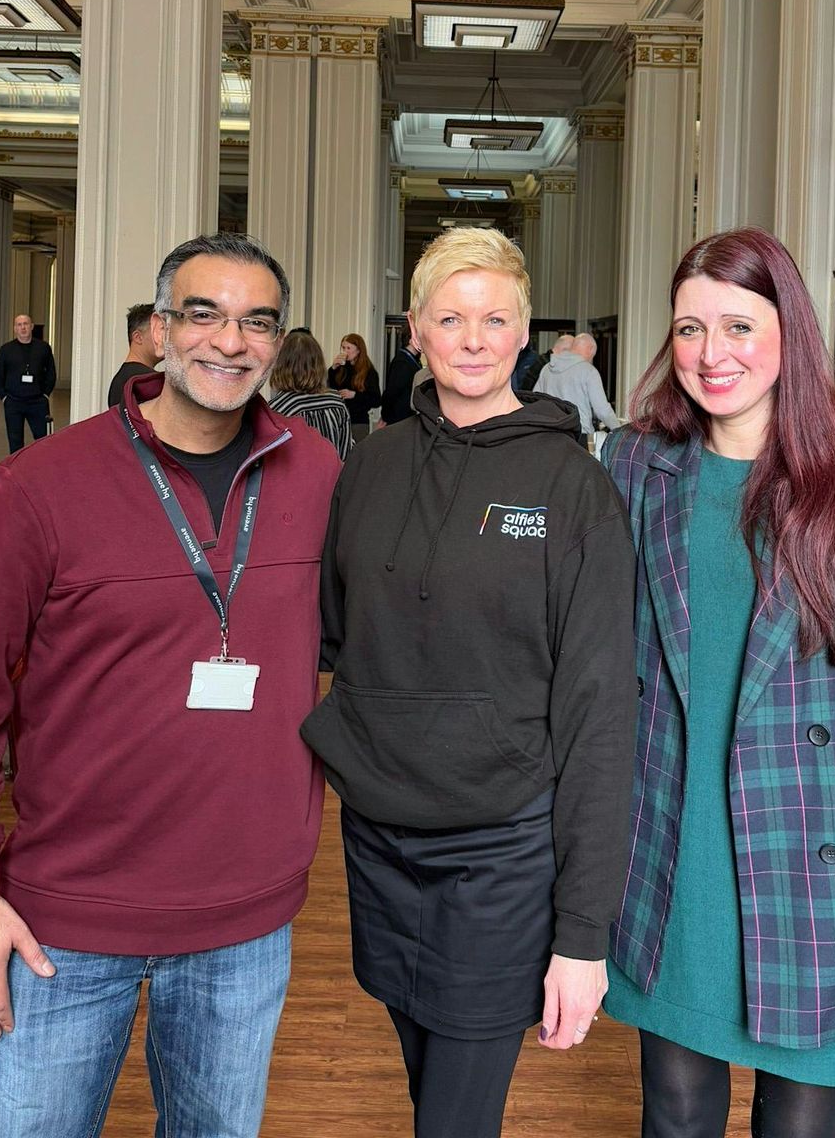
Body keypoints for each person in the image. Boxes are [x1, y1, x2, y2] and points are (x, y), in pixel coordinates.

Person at [0, 232, 342, 1138]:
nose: (230, 341)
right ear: (159, 330)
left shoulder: (317, 474)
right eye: (204, 314)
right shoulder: (44, 483)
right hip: (61, 920)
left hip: (244, 922)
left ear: (277, 342)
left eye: (257, 322)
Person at [601, 228, 835, 1138]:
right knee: (674, 1116)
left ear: (789, 330)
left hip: (817, 866)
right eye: (689, 329)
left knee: (800, 1127)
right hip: (675, 855)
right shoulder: (638, 464)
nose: (710, 354)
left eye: (738, 326)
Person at [302, 227, 637, 1138]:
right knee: (429, 1086)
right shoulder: (370, 466)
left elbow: (602, 713)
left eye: (496, 319)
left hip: (503, 846)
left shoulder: (573, 487)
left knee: (455, 1111)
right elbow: (339, 635)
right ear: (415, 331)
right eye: (451, 319)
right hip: (379, 836)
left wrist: (583, 933)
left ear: (525, 333)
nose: (474, 339)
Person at [269, 329, 352, 460]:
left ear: (281, 364)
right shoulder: (336, 402)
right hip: (334, 472)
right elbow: (346, 454)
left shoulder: (277, 409)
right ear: (318, 363)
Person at [0, 314, 56, 455]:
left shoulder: (43, 348)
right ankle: (17, 468)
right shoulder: (6, 350)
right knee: (15, 442)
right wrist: (4, 397)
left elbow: (51, 373)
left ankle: (42, 465)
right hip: (13, 402)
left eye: (26, 324)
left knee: (43, 440)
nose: (23, 328)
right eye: (19, 325)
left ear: (32, 326)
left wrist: (45, 394)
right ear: (15, 328)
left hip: (38, 402)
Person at [536, 332, 620, 438]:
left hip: (551, 433)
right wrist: (619, 431)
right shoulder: (588, 371)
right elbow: (602, 410)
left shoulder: (547, 368)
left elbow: (536, 399)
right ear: (590, 350)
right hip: (579, 434)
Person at [105, 301, 161, 408]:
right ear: (138, 337)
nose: (166, 338)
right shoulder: (147, 381)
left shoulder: (119, 380)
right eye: (159, 331)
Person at [328, 332, 381, 442]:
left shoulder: (369, 372)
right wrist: (333, 369)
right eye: (343, 348)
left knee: (356, 450)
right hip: (338, 420)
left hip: (358, 422)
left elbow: (376, 400)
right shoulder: (341, 369)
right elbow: (330, 390)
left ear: (358, 350)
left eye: (348, 348)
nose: (345, 351)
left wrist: (355, 395)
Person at [379, 325, 420, 425]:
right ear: (412, 339)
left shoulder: (410, 360)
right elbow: (392, 392)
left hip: (405, 418)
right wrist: (385, 416)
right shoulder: (402, 362)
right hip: (398, 419)